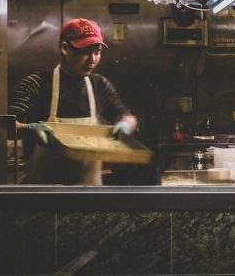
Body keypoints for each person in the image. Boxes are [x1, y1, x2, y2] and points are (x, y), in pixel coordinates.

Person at [9, 18, 138, 185]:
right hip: (42, 193)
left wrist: (125, 125)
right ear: (64, 48)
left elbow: (126, 116)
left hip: (88, 192)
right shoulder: (36, 83)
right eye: (85, 52)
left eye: (97, 52)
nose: (92, 60)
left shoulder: (99, 84)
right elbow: (7, 125)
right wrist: (30, 129)